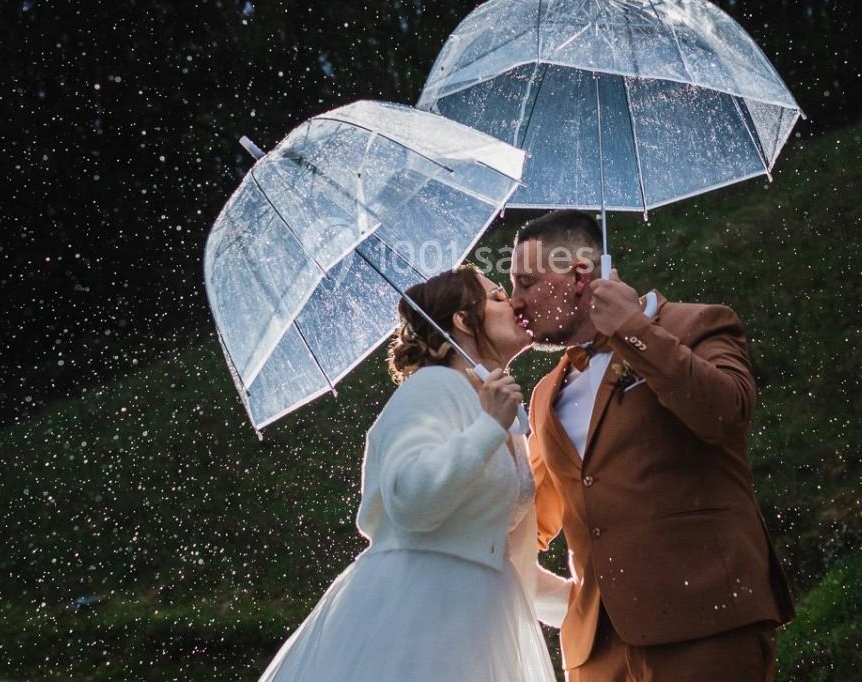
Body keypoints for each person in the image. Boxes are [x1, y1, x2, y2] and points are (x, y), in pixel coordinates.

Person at [509, 210, 795, 682]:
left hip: (706, 625)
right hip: (596, 651)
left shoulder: (697, 324)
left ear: (579, 277)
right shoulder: (544, 395)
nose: (515, 301)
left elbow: (725, 415)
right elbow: (532, 519)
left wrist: (633, 330)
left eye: (527, 283)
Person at [257, 264, 570, 682]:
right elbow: (409, 501)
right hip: (418, 615)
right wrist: (487, 427)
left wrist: (588, 607)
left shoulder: (504, 418)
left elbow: (507, 560)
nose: (513, 302)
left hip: (480, 628)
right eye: (497, 297)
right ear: (463, 321)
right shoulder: (431, 388)